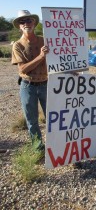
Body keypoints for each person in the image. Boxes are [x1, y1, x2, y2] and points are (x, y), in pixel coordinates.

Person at [11, 10, 49, 150]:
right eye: (22, 21)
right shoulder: (18, 45)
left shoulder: (44, 40)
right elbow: (23, 69)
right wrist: (41, 56)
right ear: (19, 26)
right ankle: (38, 147)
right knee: (32, 120)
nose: (26, 23)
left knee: (53, 117)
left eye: (29, 20)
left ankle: (56, 146)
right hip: (28, 86)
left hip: (46, 84)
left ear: (34, 22)